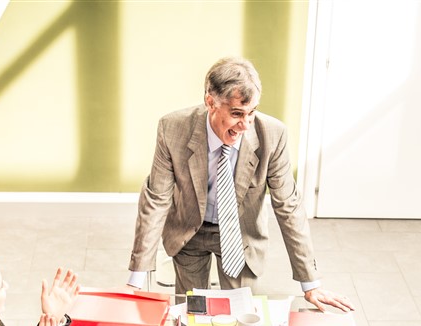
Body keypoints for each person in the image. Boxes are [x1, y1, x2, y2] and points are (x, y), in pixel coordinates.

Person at [125, 56, 353, 312]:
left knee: (238, 317)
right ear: (210, 102)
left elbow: (288, 206)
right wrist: (136, 278)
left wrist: (310, 283)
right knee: (192, 313)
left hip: (240, 235)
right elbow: (156, 199)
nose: (245, 125)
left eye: (252, 112)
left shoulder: (273, 135)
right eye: (236, 114)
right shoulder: (172, 129)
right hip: (189, 230)